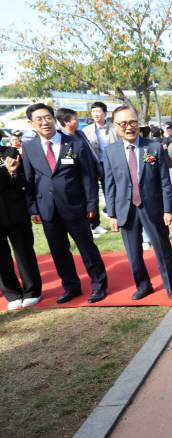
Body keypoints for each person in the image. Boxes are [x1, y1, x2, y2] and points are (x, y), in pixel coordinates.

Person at [22, 103, 108, 304]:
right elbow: (30, 179)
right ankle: (71, 287)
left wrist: (91, 204)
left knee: (87, 248)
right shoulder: (29, 147)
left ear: (54, 119)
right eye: (39, 119)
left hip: (76, 206)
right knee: (59, 252)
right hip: (48, 210)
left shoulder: (75, 143)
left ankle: (99, 285)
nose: (45, 122)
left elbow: (87, 176)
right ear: (31, 123)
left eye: (48, 117)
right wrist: (33, 208)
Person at [104, 106, 172, 300]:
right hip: (125, 209)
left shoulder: (153, 147)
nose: (129, 127)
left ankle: (170, 284)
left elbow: (165, 180)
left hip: (152, 207)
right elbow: (110, 184)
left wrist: (168, 209)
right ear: (116, 126)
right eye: (123, 123)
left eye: (133, 122)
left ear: (139, 123)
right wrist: (112, 214)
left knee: (162, 248)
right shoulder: (110, 151)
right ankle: (143, 285)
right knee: (133, 253)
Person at [0, 144, 42, 310]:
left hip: (16, 211)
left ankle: (32, 291)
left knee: (24, 252)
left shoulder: (10, 152)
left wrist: (12, 173)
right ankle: (12, 293)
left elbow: (24, 181)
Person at [56, 107, 106, 237]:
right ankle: (88, 226)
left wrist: (97, 169)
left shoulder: (80, 133)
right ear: (66, 121)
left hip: (90, 172)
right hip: (76, 177)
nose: (77, 121)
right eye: (75, 118)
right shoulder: (60, 138)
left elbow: (90, 152)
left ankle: (95, 224)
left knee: (92, 198)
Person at [82, 102, 121, 216]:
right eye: (93, 112)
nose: (95, 114)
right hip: (95, 165)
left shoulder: (115, 127)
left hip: (112, 164)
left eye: (98, 111)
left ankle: (113, 213)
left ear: (105, 113)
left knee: (111, 190)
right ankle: (95, 223)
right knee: (93, 193)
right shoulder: (86, 130)